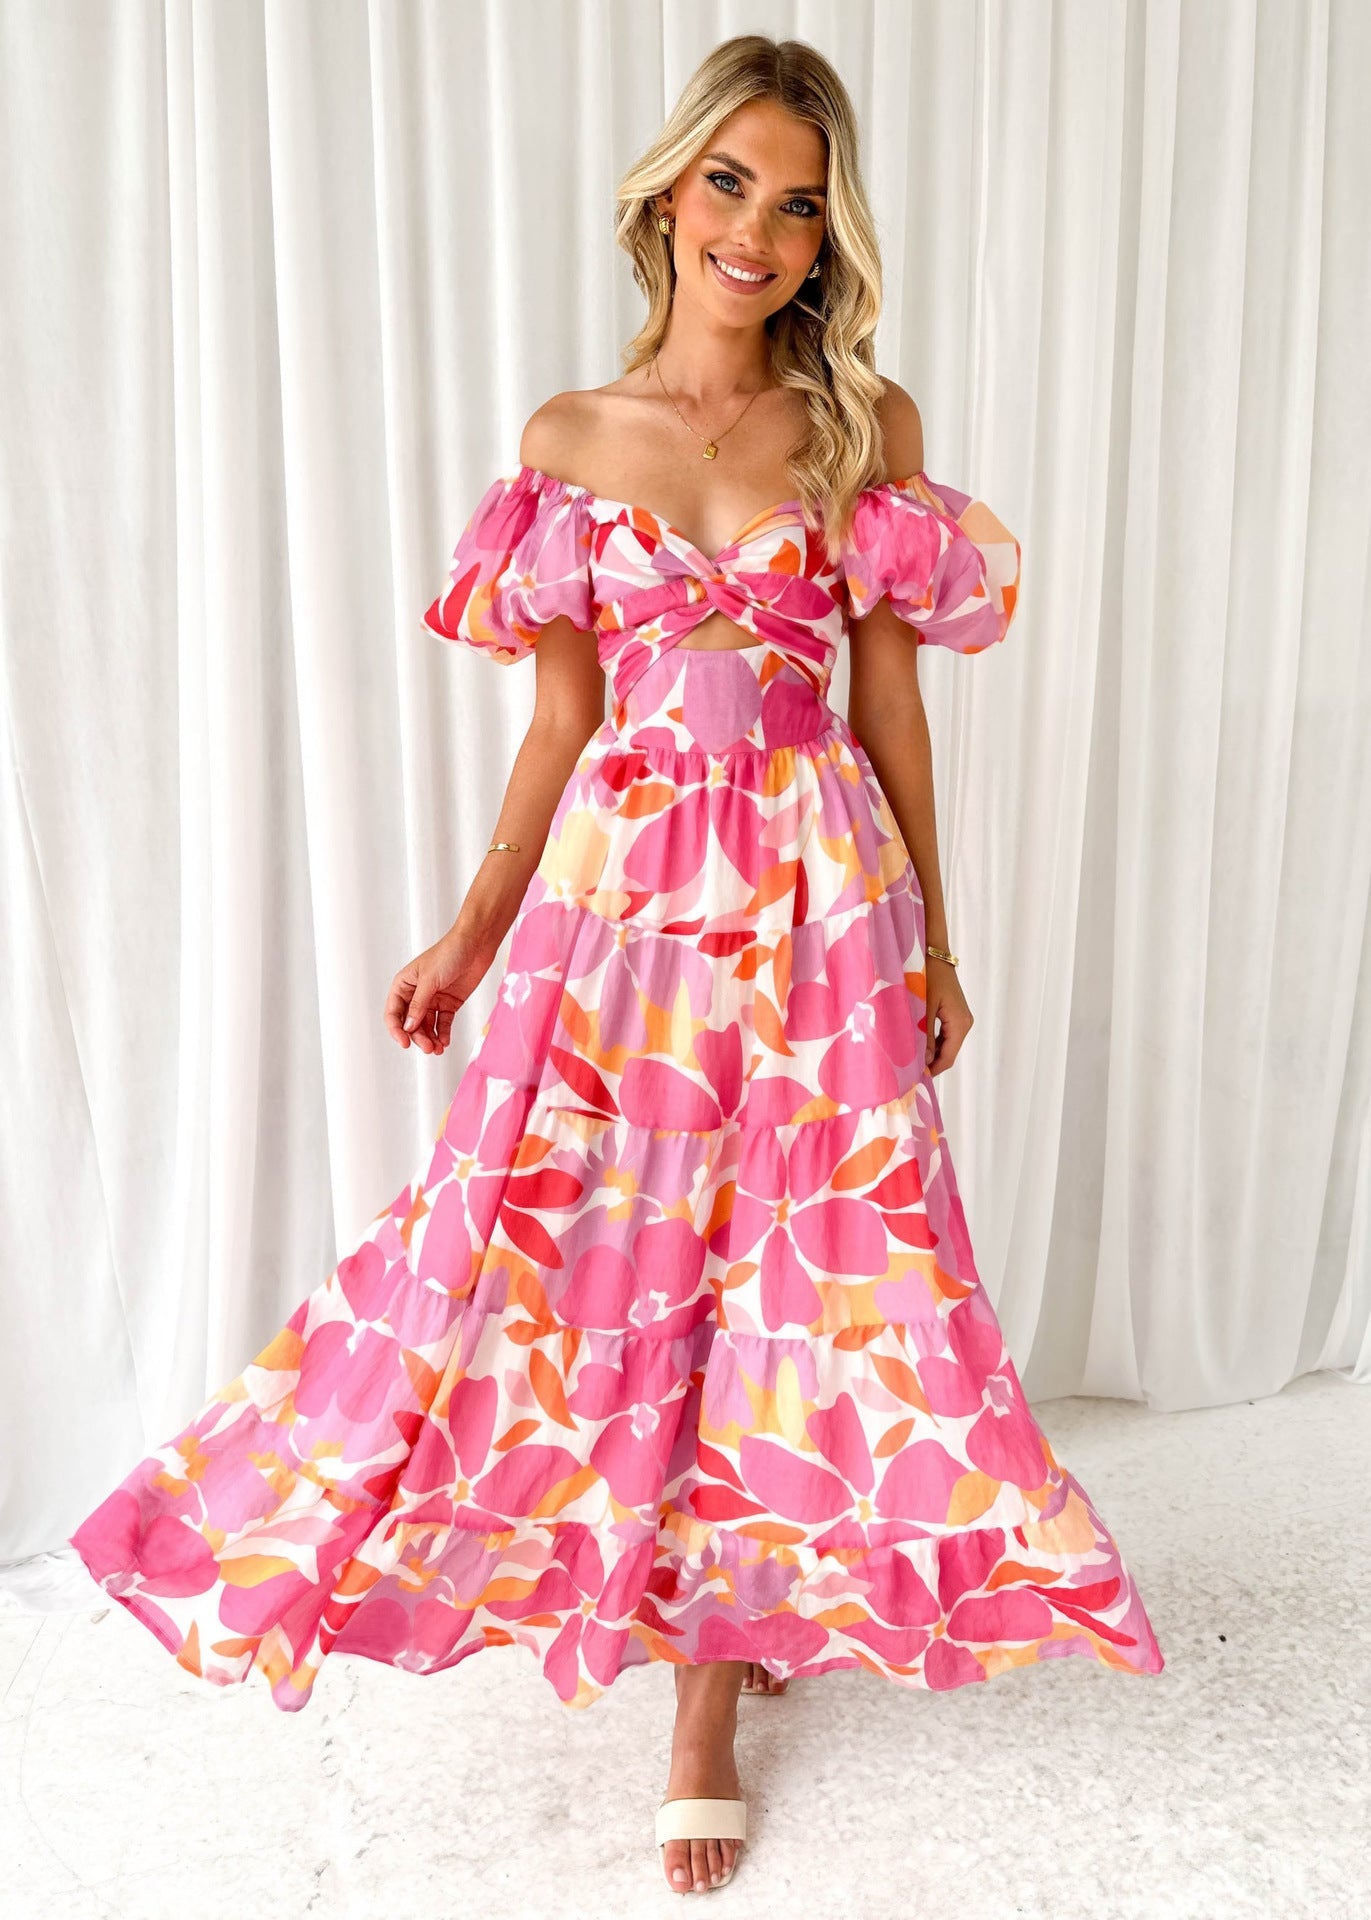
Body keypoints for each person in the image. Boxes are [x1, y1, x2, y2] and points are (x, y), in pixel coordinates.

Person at [69, 31, 1164, 1900]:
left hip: (817, 901)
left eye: (800, 204)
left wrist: (934, 934)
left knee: (805, 1273)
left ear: (827, 238)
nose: (760, 229)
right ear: (668, 193)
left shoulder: (862, 428)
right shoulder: (571, 441)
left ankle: (706, 1704)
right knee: (580, 1253)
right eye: (732, 182)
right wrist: (472, 926)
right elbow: (562, 720)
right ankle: (624, 1583)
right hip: (625, 911)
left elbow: (891, 708)